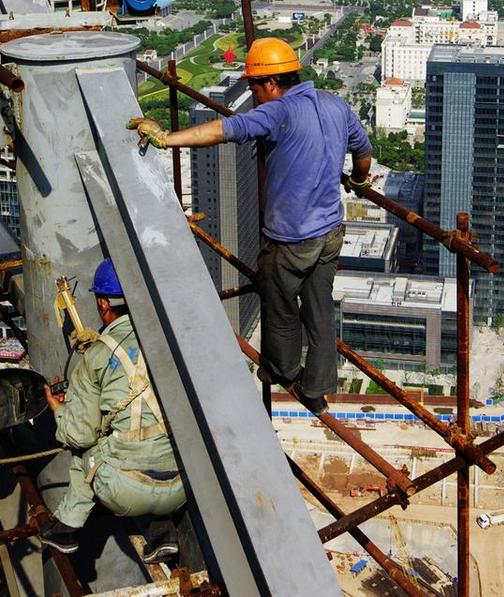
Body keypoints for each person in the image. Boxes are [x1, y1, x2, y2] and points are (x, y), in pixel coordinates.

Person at [128, 37, 372, 416]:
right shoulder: (334, 103)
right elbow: (363, 152)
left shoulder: (278, 112)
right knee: (320, 310)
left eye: (254, 87)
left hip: (291, 239)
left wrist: (166, 139)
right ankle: (317, 388)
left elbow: (222, 131)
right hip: (330, 232)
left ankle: (282, 369)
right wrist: (357, 181)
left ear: (271, 84)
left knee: (280, 306)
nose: (254, 94)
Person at [40, 258, 185, 561]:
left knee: (88, 449)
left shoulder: (97, 355)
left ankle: (67, 527)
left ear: (104, 303)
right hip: (184, 484)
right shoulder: (172, 338)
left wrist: (59, 410)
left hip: (126, 493)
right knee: (152, 444)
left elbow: (79, 435)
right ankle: (162, 531)